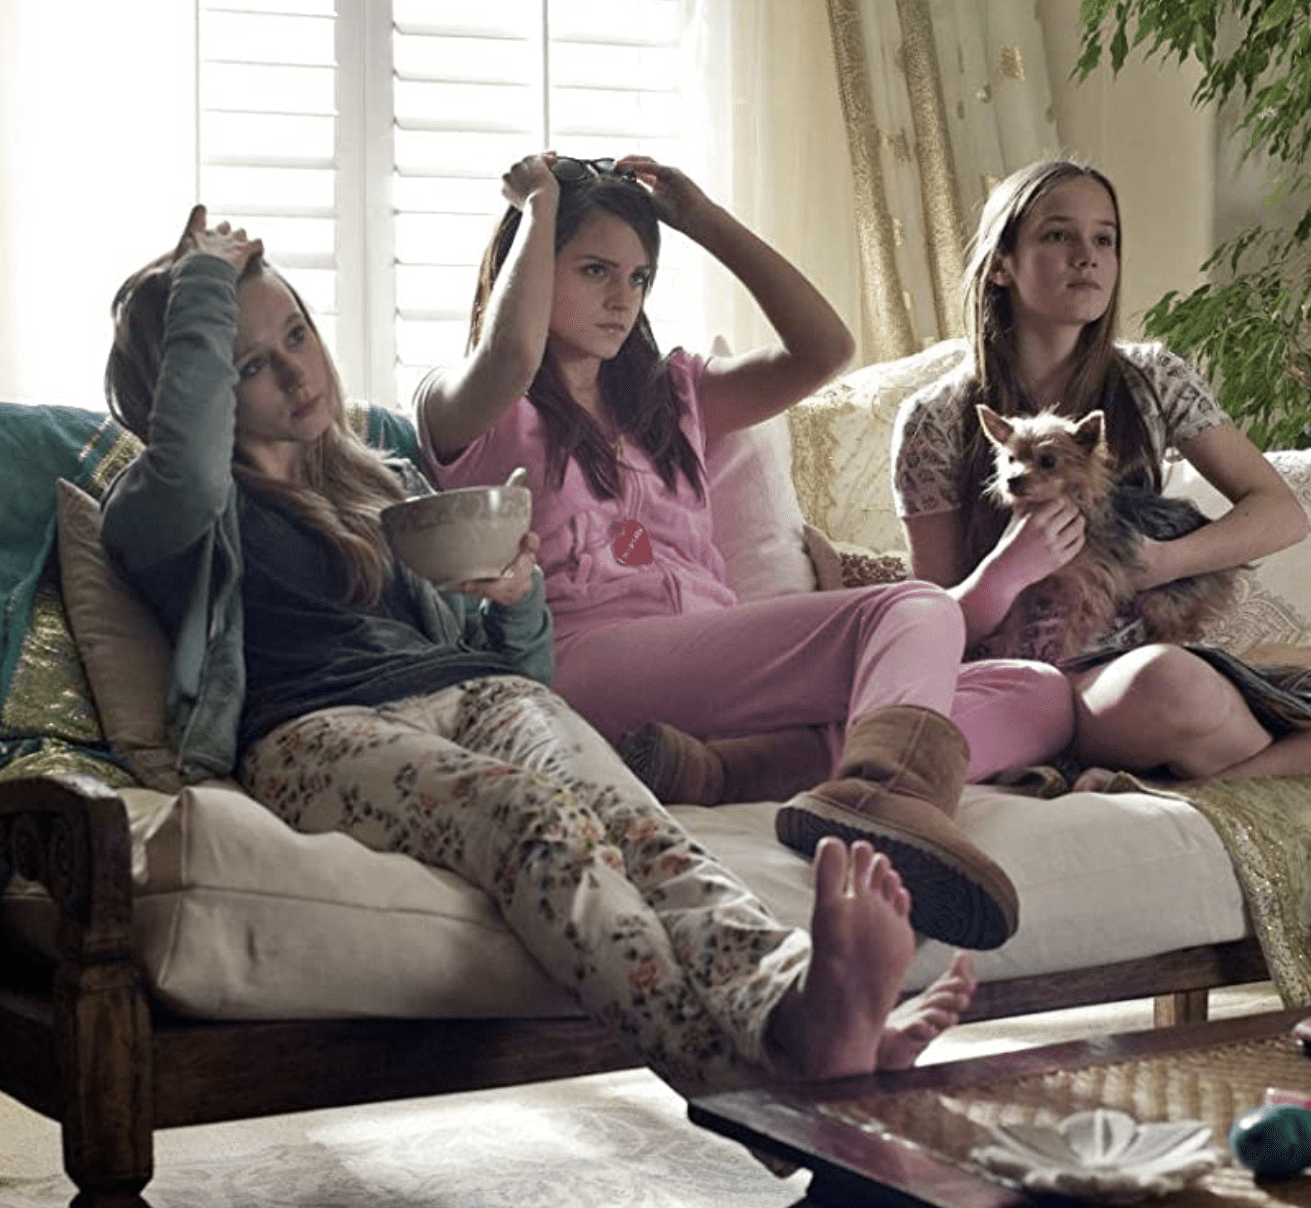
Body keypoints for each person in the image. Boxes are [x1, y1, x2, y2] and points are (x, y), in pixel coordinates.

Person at [98, 205, 977, 1099]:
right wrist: (203, 275)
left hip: (481, 695)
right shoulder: (163, 510)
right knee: (532, 821)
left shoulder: (381, 484)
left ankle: (793, 999)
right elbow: (188, 461)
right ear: (190, 383)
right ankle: (758, 1073)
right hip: (312, 731)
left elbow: (518, 666)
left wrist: (516, 602)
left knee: (639, 831)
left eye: (297, 333)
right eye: (249, 364)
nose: (296, 371)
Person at [416, 152, 1075, 950]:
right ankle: (882, 793)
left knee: (1038, 694)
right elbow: (512, 356)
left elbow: (825, 348)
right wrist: (538, 206)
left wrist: (703, 221)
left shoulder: (670, 395)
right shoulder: (468, 403)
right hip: (583, 664)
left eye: (637, 278)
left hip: (711, 677)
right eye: (595, 271)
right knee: (913, 608)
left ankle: (731, 771)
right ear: (531, 260)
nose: (621, 298)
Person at [893, 158, 1311, 787]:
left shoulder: (1152, 378)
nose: (1087, 257)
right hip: (1066, 682)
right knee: (1175, 686)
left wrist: (1162, 562)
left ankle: (1224, 778)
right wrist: (1007, 572)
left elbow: (1278, 513)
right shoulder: (935, 421)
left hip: (1177, 659)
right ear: (1003, 263)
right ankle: (1268, 758)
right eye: (1058, 235)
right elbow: (934, 624)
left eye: (1104, 238)